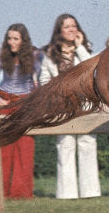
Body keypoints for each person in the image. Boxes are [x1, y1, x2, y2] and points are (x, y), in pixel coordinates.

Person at [40, 14, 101, 199]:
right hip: (61, 105)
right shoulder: (50, 53)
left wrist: (80, 46)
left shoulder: (85, 49)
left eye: (74, 26)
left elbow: (92, 70)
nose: (72, 29)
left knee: (87, 144)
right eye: (67, 27)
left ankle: (90, 192)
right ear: (59, 30)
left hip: (85, 104)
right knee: (65, 145)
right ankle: (67, 194)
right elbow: (44, 79)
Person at [0, 24, 42, 200]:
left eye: (15, 39)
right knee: (3, 147)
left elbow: (39, 80)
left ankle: (21, 194)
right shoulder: (1, 54)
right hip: (5, 100)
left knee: (25, 147)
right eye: (9, 38)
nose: (11, 42)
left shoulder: (34, 56)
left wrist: (33, 100)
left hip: (25, 102)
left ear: (23, 40)